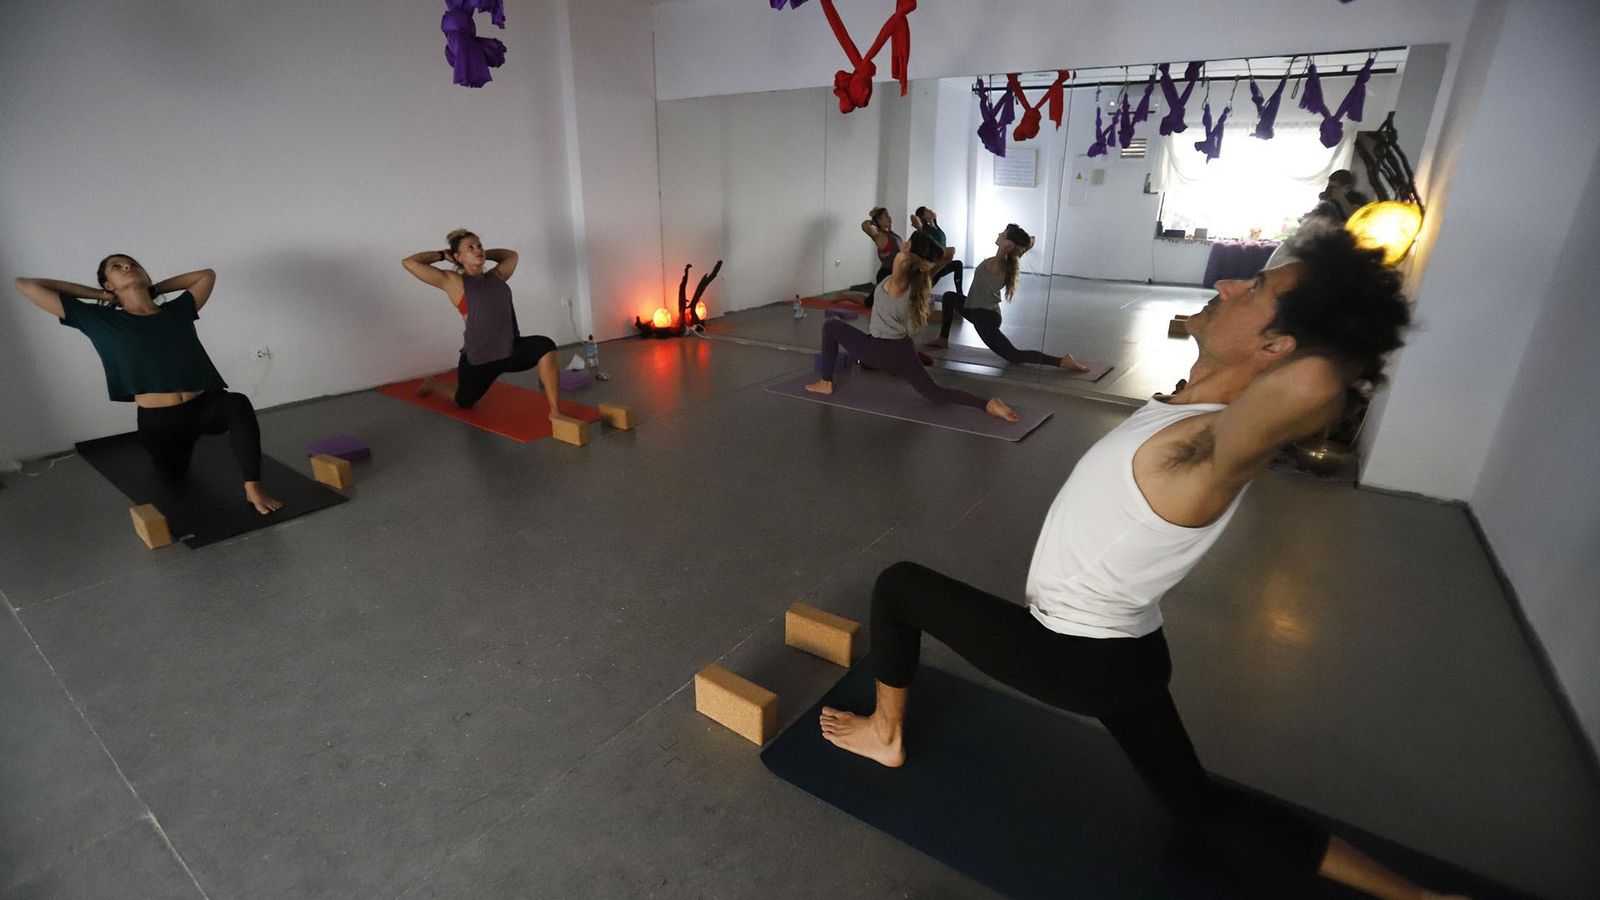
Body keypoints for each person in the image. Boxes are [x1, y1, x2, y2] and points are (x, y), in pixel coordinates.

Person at [818, 229, 1464, 899]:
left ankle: (885, 733)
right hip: (1132, 656)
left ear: (1276, 348)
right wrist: (1232, 328)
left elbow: (1306, 388)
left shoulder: (1207, 446)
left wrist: (1339, 341)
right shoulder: (1192, 405)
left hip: (1072, 655)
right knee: (1197, 804)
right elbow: (1259, 357)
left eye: (1258, 288)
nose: (1228, 283)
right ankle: (1421, 898)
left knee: (899, 588)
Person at [14, 257, 283, 515]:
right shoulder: (97, 319)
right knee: (172, 474)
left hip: (205, 406)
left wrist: (153, 289)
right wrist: (103, 297)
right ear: (108, 284)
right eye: (116, 267)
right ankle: (174, 459)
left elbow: (205, 275)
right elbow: (25, 284)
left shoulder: (177, 310)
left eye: (133, 264)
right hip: (161, 422)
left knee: (236, 403)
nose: (128, 266)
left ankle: (253, 488)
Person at [806, 231, 1019, 423]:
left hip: (879, 351)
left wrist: (917, 256)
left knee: (831, 327)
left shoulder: (899, 280)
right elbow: (950, 253)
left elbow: (903, 257)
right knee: (936, 393)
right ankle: (987, 404)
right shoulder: (922, 278)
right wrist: (928, 262)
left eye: (907, 242)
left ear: (909, 248)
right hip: (905, 352)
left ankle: (826, 383)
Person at [402, 229, 564, 418]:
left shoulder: (497, 276)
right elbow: (410, 263)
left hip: (510, 350)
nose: (478, 250)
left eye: (480, 246)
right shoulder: (454, 282)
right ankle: (433, 384)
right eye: (470, 248)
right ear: (458, 257)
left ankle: (555, 412)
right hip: (480, 359)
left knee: (545, 346)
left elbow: (511, 255)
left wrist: (482, 254)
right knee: (464, 401)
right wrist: (442, 255)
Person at [924, 224, 1090, 373]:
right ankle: (943, 339)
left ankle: (1062, 361)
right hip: (976, 309)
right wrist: (1023, 242)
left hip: (984, 317)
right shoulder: (1009, 260)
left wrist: (1008, 246)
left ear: (1007, 244)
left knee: (1013, 356)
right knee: (949, 297)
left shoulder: (1000, 262)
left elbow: (1007, 251)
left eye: (1003, 233)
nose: (999, 233)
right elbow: (1028, 242)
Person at [909, 207, 964, 296]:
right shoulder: (924, 229)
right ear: (922, 216)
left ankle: (960, 294)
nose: (930, 211)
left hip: (942, 262)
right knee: (928, 283)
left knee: (958, 264)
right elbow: (913, 218)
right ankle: (923, 292)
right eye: (927, 211)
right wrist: (918, 223)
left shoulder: (936, 228)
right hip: (932, 265)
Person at [1305, 169, 1371, 225]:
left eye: (1334, 187)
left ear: (1347, 187)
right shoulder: (1328, 197)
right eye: (1329, 186)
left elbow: (1355, 218)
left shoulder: (1356, 198)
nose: (1329, 190)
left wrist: (1341, 198)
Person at [860, 207, 904, 288]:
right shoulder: (880, 236)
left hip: (897, 273)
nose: (890, 218)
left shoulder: (891, 234)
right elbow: (865, 225)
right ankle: (843, 297)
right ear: (879, 221)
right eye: (886, 216)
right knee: (872, 300)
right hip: (887, 275)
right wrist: (873, 222)